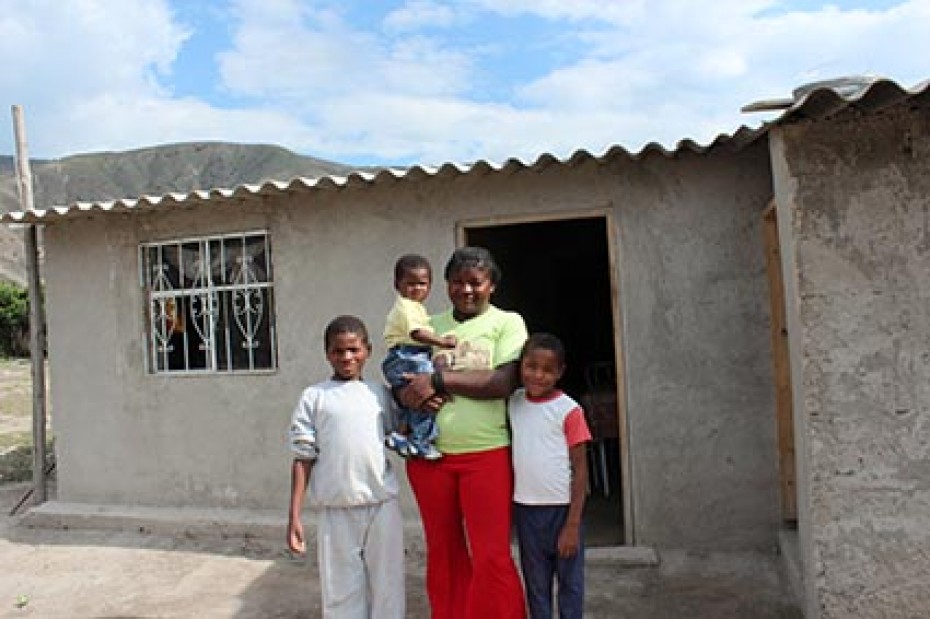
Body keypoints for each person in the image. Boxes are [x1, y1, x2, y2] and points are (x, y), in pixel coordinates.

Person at [397, 246, 528, 619]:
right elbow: (402, 376)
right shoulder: (428, 326)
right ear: (446, 285)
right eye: (457, 282)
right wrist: (410, 395)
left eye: (475, 283)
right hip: (431, 461)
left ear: (492, 286)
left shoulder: (507, 323)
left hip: (486, 456)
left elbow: (503, 381)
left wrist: (437, 380)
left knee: (491, 555)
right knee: (444, 550)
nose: (466, 290)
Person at [287, 315, 405, 619]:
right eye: (338, 351)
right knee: (340, 592)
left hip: (382, 504)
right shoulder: (314, 397)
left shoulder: (380, 394)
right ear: (327, 353)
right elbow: (303, 457)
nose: (346, 357)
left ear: (368, 350)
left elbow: (398, 436)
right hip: (336, 508)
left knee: (388, 586)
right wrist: (294, 515)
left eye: (353, 349)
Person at [508, 333, 591, 619]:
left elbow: (581, 470)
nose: (538, 375)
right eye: (531, 366)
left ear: (560, 372)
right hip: (526, 511)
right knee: (536, 586)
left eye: (547, 370)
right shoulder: (514, 402)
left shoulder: (569, 410)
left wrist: (573, 524)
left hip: (563, 511)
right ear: (520, 366)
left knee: (570, 584)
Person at [382, 254, 457, 460]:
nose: (417, 289)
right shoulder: (407, 307)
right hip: (408, 354)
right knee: (426, 394)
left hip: (406, 354)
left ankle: (401, 434)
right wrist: (443, 342)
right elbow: (417, 333)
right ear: (398, 285)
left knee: (412, 401)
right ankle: (420, 442)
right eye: (410, 284)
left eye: (422, 284)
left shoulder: (417, 308)